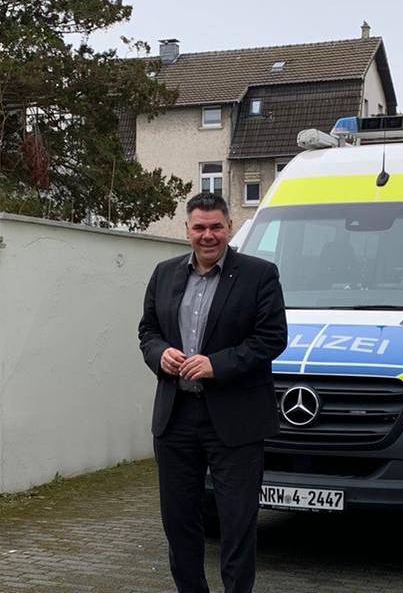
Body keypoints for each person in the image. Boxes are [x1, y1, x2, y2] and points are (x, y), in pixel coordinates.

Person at [138, 191, 287, 593]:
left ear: (230, 228)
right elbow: (147, 332)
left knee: (237, 523)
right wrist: (161, 354)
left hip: (236, 420)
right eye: (200, 227)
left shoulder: (260, 274)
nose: (208, 235)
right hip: (176, 417)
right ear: (186, 229)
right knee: (179, 522)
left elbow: (272, 339)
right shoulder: (164, 273)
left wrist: (215, 365)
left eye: (216, 227)